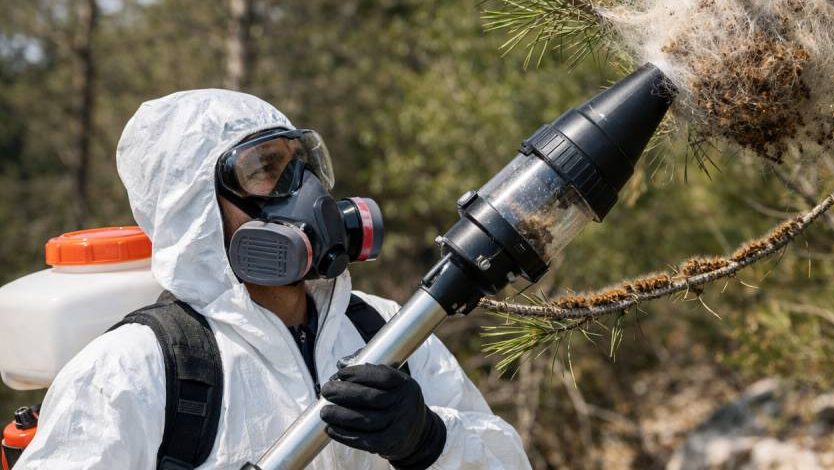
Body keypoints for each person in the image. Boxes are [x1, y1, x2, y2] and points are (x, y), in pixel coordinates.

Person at [16, 89, 530, 469]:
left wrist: (430, 442)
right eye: (266, 170)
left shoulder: (388, 331)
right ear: (195, 210)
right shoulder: (135, 368)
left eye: (299, 164)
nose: (303, 192)